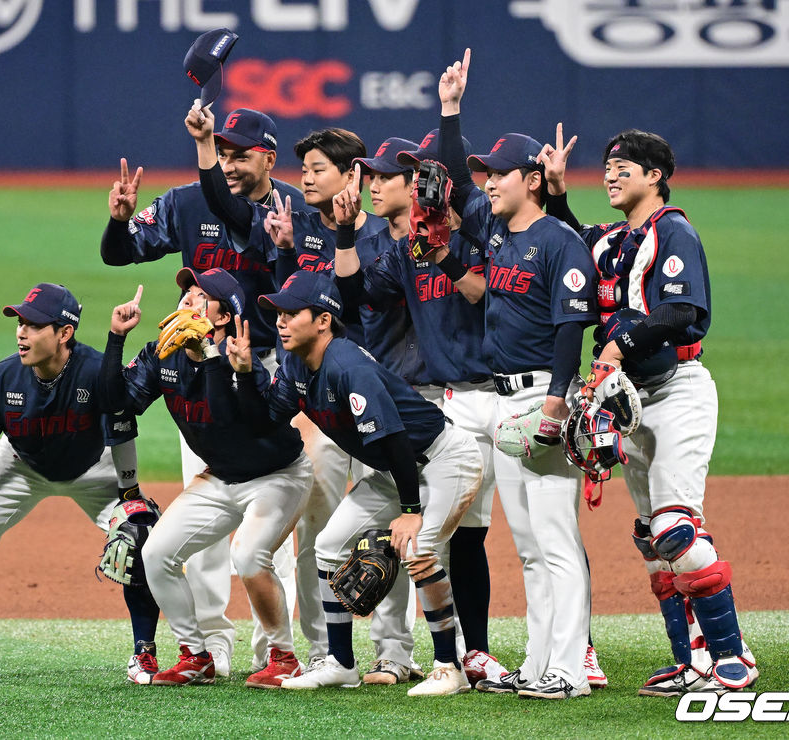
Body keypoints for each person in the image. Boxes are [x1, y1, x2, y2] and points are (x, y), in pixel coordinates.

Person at [542, 125, 759, 695]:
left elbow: (683, 309)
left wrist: (618, 346)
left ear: (655, 176)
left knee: (675, 529)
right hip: (629, 400)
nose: (610, 176)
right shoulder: (612, 239)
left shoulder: (673, 230)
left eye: (623, 168)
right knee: (652, 538)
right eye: (607, 168)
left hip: (678, 390)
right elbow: (571, 242)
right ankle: (690, 661)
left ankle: (731, 657)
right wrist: (557, 192)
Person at [101, 107, 308, 676]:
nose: (229, 163)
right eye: (223, 153)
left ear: (269, 157)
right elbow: (119, 252)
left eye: (240, 154)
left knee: (266, 539)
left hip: (267, 366)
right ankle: (210, 646)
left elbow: (296, 277)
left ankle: (277, 649)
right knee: (204, 530)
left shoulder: (289, 210)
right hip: (195, 362)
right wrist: (119, 221)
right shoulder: (185, 203)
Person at [190, 109, 391, 671]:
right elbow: (228, 209)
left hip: (373, 389)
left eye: (318, 168)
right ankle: (314, 650)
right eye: (303, 168)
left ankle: (390, 652)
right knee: (311, 525)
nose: (305, 178)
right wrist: (280, 249)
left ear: (352, 175)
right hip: (311, 392)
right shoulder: (293, 223)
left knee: (376, 527)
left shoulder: (381, 235)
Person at [427, 49, 599, 700]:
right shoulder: (497, 234)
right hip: (504, 402)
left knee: (556, 541)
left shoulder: (560, 242)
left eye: (500, 173)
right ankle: (537, 664)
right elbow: (455, 182)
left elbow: (570, 328)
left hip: (543, 399)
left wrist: (557, 403)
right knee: (528, 545)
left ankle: (570, 670)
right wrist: (450, 110)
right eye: (488, 173)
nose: (489, 182)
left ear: (532, 180)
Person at [230, 270, 484, 696]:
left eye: (291, 313)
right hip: (394, 471)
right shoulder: (296, 364)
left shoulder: (348, 366)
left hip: (443, 460)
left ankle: (448, 667)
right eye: (278, 314)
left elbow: (396, 440)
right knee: (329, 546)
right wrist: (243, 373)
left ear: (323, 321)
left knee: (419, 550)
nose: (280, 322)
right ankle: (341, 663)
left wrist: (410, 512)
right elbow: (266, 420)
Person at [331, 135, 510, 687]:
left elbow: (480, 290)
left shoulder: (476, 231)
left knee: (485, 537)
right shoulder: (402, 250)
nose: (373, 184)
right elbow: (357, 295)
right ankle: (434, 655)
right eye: (372, 176)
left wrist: (451, 112)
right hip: (439, 403)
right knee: (431, 536)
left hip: (497, 395)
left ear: (421, 183)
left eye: (386, 176)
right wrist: (345, 233)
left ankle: (479, 653)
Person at [0, 283, 161, 684]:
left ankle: (144, 653)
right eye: (20, 323)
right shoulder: (4, 375)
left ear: (64, 333)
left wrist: (129, 494)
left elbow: (120, 431)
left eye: (33, 325)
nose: (21, 332)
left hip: (92, 467)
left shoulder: (95, 371)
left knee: (138, 540)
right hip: (20, 465)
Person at [98, 271, 314, 688]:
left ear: (223, 316)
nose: (187, 299)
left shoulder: (241, 359)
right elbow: (115, 402)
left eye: (200, 296)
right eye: (186, 293)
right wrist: (116, 337)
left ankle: (283, 657)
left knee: (248, 556)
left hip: (277, 476)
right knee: (156, 552)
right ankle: (195, 656)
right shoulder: (163, 354)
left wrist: (209, 354)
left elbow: (226, 417)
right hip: (219, 478)